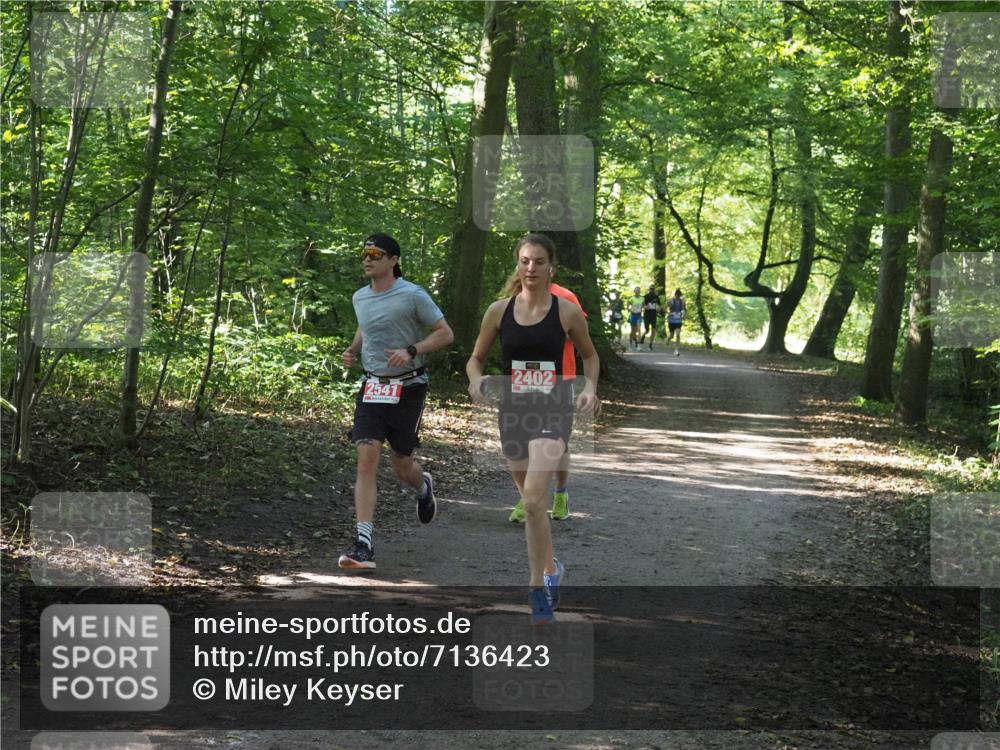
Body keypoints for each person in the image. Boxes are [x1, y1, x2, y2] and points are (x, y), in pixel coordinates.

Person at [467, 233, 600, 624]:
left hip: (553, 410)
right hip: (513, 412)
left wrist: (589, 387)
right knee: (532, 503)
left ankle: (536, 588)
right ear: (517, 264)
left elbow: (590, 357)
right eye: (525, 261)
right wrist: (476, 380)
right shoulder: (498, 311)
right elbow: (475, 358)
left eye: (539, 262)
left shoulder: (566, 312)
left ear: (550, 267)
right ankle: (552, 567)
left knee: (532, 501)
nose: (531, 268)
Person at [338, 233, 454, 569]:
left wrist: (412, 350)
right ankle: (363, 545)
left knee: (402, 465)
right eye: (364, 253)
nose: (368, 258)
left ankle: (423, 486)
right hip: (372, 387)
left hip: (408, 388)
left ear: (393, 260)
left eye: (375, 253)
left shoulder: (412, 295)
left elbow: (445, 333)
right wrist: (352, 350)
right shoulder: (360, 297)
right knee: (365, 459)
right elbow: (366, 328)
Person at [508, 272, 584, 524]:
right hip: (523, 381)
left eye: (540, 263)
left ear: (551, 268)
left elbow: (580, 335)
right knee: (525, 441)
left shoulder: (566, 297)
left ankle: (560, 494)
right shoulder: (515, 298)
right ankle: (528, 496)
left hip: (560, 379)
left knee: (556, 443)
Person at [640, 284, 662, 351]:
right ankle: (643, 337)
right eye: (651, 289)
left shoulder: (656, 297)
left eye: (653, 289)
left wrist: (659, 309)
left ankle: (650, 345)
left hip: (654, 316)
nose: (652, 290)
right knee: (647, 330)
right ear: (649, 289)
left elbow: (659, 305)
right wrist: (645, 307)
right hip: (646, 316)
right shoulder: (645, 297)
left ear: (654, 289)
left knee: (653, 330)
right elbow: (641, 305)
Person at [666, 288, 686, 356]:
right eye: (677, 295)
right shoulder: (671, 300)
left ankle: (676, 350)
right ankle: (668, 339)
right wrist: (669, 311)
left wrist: (684, 315)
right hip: (671, 320)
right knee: (671, 335)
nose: (678, 296)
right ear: (675, 295)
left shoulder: (682, 302)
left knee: (677, 334)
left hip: (678, 320)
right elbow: (667, 307)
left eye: (679, 295)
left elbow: (684, 310)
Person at [627, 286, 643, 351]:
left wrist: (644, 308)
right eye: (636, 290)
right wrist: (628, 309)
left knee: (639, 331)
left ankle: (639, 346)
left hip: (639, 315)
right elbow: (628, 304)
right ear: (634, 291)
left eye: (638, 290)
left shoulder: (642, 298)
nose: (637, 292)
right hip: (633, 315)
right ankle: (630, 345)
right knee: (633, 332)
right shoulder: (631, 298)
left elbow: (644, 305)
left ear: (640, 291)